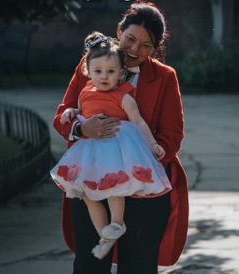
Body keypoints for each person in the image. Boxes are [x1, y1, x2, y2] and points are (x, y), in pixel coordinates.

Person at [53, 1, 189, 274]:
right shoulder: (91, 63)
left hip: (144, 193)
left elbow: (172, 133)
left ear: (155, 49)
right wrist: (82, 127)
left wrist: (149, 155)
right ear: (120, 30)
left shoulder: (164, 78)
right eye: (131, 38)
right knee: (86, 273)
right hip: (92, 184)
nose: (135, 50)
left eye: (146, 46)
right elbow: (64, 113)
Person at [51, 31, 171, 260]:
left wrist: (153, 144)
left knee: (114, 187)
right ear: (89, 72)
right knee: (87, 193)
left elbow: (137, 121)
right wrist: (71, 113)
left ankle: (117, 223)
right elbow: (79, 111)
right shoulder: (85, 92)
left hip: (116, 148)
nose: (104, 76)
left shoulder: (124, 95)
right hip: (90, 151)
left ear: (120, 73)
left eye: (111, 72)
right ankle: (105, 235)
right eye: (98, 72)